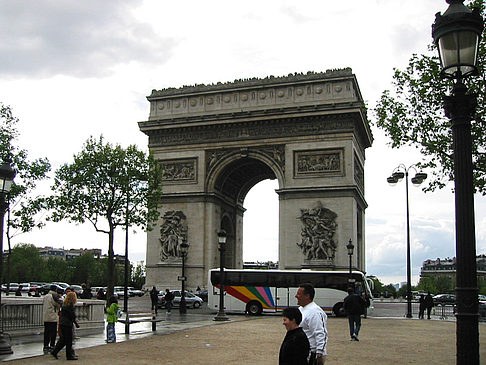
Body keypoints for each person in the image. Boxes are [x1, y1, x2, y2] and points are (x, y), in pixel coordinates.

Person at [295, 283, 328, 365]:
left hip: (311, 354)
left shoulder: (315, 312)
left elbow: (320, 333)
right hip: (301, 351)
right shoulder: (301, 309)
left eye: (299, 294)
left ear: (307, 296)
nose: (296, 296)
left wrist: (319, 354)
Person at [51, 291, 80, 360]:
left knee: (63, 340)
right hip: (67, 324)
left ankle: (55, 351)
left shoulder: (64, 304)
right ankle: (69, 355)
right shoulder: (70, 306)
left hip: (62, 323)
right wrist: (76, 323)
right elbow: (72, 316)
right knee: (69, 340)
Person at [42, 285, 61, 355]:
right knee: (53, 332)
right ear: (55, 290)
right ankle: (52, 345)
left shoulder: (46, 296)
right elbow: (58, 304)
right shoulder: (54, 296)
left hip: (46, 317)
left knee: (46, 332)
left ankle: (45, 345)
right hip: (53, 317)